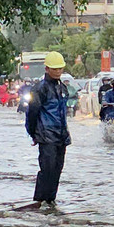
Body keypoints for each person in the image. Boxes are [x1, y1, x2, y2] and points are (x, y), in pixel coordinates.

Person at [25, 51, 72, 209]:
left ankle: (51, 200)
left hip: (61, 136)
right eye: (55, 69)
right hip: (46, 136)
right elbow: (32, 113)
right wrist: (33, 133)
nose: (58, 71)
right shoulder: (39, 89)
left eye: (60, 69)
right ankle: (39, 200)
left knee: (58, 169)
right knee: (47, 168)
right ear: (47, 69)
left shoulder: (62, 88)